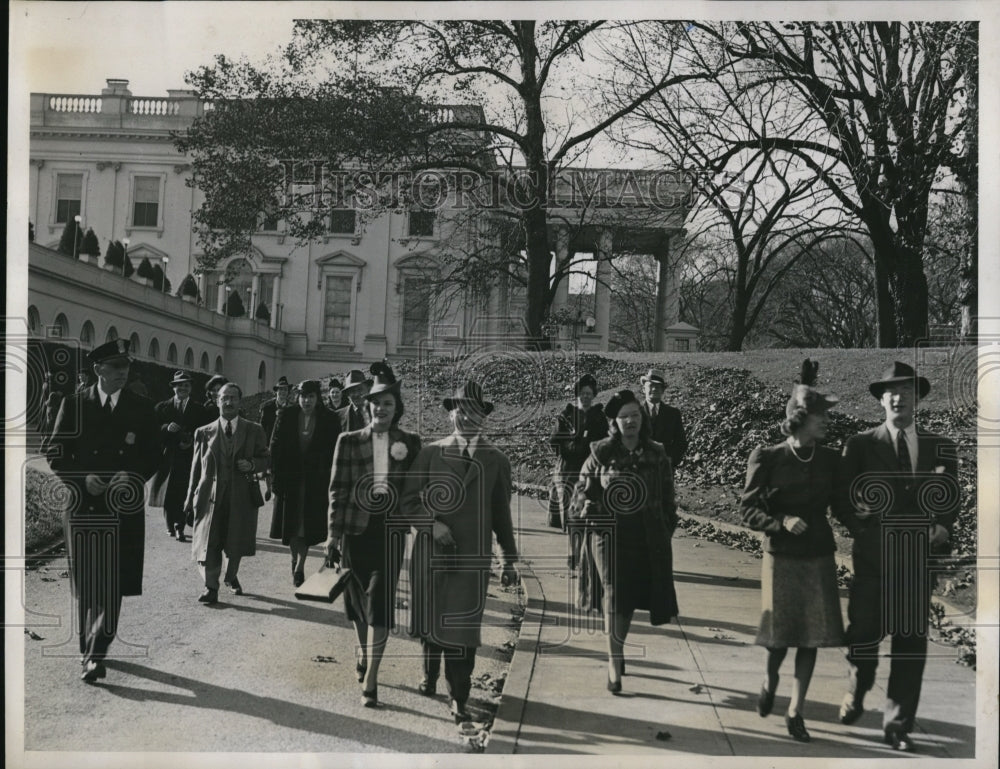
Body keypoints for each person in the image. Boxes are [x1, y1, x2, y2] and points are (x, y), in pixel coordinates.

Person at [834, 361, 960, 753]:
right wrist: (860, 525)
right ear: (881, 400)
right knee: (863, 635)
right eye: (891, 391)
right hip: (872, 560)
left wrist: (942, 525)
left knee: (909, 643)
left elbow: (951, 496)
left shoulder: (940, 447)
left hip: (916, 560)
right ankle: (859, 684)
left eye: (906, 390)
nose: (898, 397)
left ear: (917, 399)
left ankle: (898, 724)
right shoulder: (860, 445)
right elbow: (841, 497)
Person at [739, 360, 845, 743]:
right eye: (821, 417)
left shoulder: (831, 459)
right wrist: (780, 521)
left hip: (817, 555)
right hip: (781, 556)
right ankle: (770, 680)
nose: (827, 423)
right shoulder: (768, 457)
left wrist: (866, 521)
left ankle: (796, 710)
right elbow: (748, 509)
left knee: (811, 636)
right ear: (801, 419)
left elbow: (842, 506)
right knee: (780, 637)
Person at [402, 381, 519, 723]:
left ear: (484, 417)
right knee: (432, 622)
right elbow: (407, 502)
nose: (467, 416)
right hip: (432, 554)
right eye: (461, 410)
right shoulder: (430, 453)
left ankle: (459, 695)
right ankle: (429, 672)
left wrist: (508, 558)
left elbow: (501, 515)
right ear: (450, 414)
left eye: (475, 411)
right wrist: (431, 525)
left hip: (472, 559)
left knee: (464, 630)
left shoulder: (495, 460)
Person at [45, 339, 161, 683]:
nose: (122, 374)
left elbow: (154, 453)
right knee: (89, 584)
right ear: (98, 370)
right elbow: (54, 452)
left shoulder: (141, 408)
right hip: (84, 508)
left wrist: (134, 474)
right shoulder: (75, 404)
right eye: (115, 368)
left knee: (113, 584)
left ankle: (95, 653)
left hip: (123, 508)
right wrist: (83, 477)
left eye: (125, 368)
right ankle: (88, 648)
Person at [326, 362, 422, 708]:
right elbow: (337, 490)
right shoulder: (348, 441)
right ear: (367, 406)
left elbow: (416, 491)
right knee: (356, 605)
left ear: (397, 409)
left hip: (391, 532)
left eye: (388, 404)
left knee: (379, 604)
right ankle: (363, 652)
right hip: (355, 530)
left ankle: (372, 677)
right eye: (375, 403)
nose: (380, 409)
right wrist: (333, 536)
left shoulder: (410, 443)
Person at [571, 389, 678, 695]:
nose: (630, 421)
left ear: (642, 420)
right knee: (613, 595)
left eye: (635, 415)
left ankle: (617, 649)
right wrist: (587, 503)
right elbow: (580, 490)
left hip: (645, 537)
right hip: (608, 535)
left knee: (629, 601)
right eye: (623, 417)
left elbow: (669, 500)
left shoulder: (657, 454)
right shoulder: (601, 453)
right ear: (614, 423)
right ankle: (614, 661)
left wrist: (665, 528)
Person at [184, 382, 269, 604]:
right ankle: (211, 587)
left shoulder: (254, 430)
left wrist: (251, 465)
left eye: (233, 398)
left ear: (240, 402)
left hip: (241, 498)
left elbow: (266, 459)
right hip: (210, 498)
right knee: (209, 542)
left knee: (236, 542)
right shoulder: (203, 433)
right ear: (217, 401)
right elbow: (195, 469)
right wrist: (189, 498)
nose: (228, 402)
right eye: (224, 398)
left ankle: (231, 576)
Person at [270, 379, 341, 587]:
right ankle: (294, 558)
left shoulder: (329, 419)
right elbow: (274, 448)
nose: (306, 401)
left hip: (315, 483)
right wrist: (275, 481)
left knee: (305, 526)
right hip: (289, 481)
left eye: (311, 396)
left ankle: (300, 566)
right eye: (303, 396)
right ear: (297, 397)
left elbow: (334, 451)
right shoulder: (286, 415)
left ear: (318, 398)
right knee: (291, 526)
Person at [548, 373, 608, 571]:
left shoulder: (599, 417)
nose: (586, 397)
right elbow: (555, 441)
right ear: (577, 395)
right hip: (567, 470)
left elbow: (604, 443)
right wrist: (571, 447)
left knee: (585, 513)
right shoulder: (566, 415)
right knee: (570, 514)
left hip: (589, 471)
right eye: (582, 393)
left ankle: (583, 555)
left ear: (594, 395)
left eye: (589, 394)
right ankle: (572, 553)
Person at [149, 371, 207, 543]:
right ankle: (169, 523)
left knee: (184, 491)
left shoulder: (199, 409)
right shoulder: (162, 407)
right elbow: (151, 431)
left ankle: (179, 525)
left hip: (189, 457)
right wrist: (166, 427)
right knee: (167, 491)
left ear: (190, 388)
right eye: (179, 385)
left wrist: (191, 442)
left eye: (186, 385)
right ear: (173, 387)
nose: (182, 388)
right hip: (168, 456)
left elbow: (204, 432)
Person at [638, 369, 688, 468]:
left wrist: (670, 461)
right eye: (651, 385)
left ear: (663, 390)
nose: (654, 389)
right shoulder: (634, 413)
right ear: (644, 389)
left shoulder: (673, 414)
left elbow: (681, 443)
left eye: (658, 386)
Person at [261, 376, 292, 443]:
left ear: (288, 392)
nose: (283, 392)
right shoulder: (267, 408)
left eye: (285, 389)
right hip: (269, 445)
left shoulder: (292, 409)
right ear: (276, 391)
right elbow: (262, 429)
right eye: (281, 389)